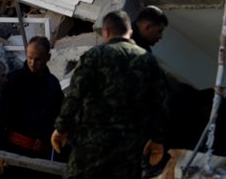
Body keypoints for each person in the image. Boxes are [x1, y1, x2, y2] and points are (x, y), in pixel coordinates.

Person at [51, 11, 167, 179]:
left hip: (92, 144)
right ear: (130, 32)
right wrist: (157, 138)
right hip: (129, 149)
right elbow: (160, 105)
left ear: (105, 31)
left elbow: (75, 96)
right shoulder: (148, 60)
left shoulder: (94, 56)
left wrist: (61, 128)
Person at [0, 36, 64, 179]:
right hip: (13, 153)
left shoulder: (53, 84)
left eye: (38, 59)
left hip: (43, 156)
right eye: (29, 58)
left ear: (48, 57)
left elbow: (61, 116)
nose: (32, 63)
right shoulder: (13, 80)